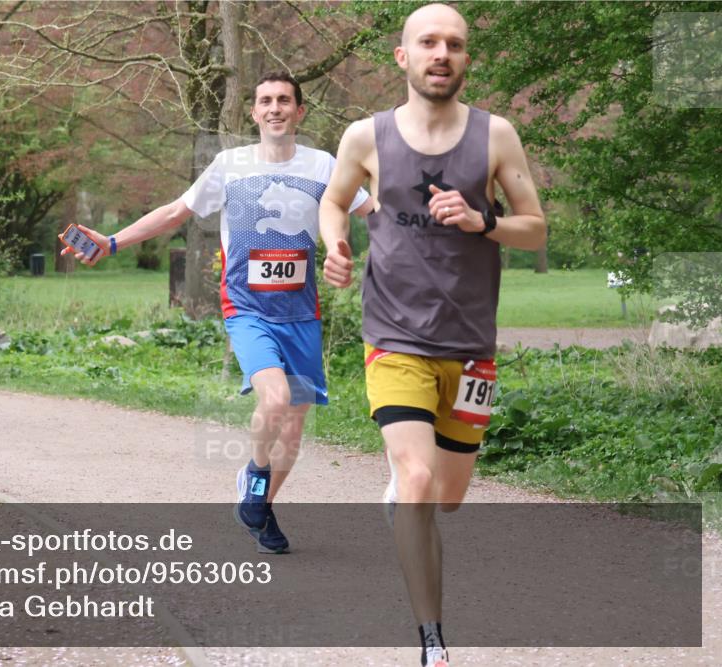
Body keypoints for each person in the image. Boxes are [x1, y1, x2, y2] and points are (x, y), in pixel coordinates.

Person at [319, 4, 546, 666]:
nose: (440, 52)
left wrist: (485, 221)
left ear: (466, 59)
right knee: (418, 478)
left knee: (445, 498)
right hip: (394, 337)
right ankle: (433, 642)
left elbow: (535, 226)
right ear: (403, 57)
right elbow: (334, 200)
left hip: (471, 346)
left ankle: (407, 497)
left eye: (454, 44)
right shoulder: (366, 136)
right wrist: (334, 242)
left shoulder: (495, 136)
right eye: (428, 42)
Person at [62, 71, 372, 553]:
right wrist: (114, 240)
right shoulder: (230, 165)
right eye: (265, 100)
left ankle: (260, 507)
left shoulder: (323, 165)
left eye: (284, 101)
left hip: (302, 314)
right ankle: (254, 476)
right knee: (273, 399)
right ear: (253, 112)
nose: (275, 108)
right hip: (247, 309)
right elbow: (174, 213)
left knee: (293, 426)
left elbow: (373, 209)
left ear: (299, 111)